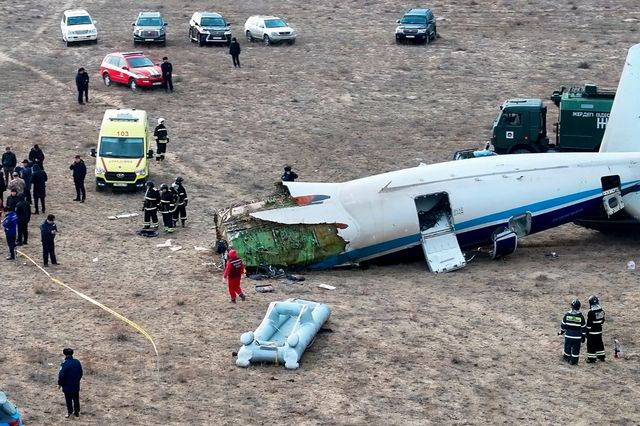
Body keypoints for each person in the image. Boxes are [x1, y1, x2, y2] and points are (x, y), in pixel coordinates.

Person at [58, 348, 83, 418]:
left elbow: (61, 375)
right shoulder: (77, 362)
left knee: (68, 399)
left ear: (65, 354)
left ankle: (70, 412)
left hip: (67, 385)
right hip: (76, 384)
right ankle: (77, 412)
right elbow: (81, 373)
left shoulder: (65, 364)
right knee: (76, 399)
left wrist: (60, 383)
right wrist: (77, 380)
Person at [560, 298, 586, 365]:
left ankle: (567, 358)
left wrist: (561, 332)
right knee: (576, 349)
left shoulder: (567, 315)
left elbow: (563, 325)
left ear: (571, 306)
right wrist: (583, 336)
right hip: (577, 337)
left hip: (568, 335)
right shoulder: (581, 317)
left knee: (567, 347)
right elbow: (583, 328)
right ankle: (574, 361)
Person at [585, 295, 606, 363]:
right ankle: (601, 356)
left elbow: (589, 324)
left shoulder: (591, 312)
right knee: (599, 343)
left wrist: (587, 331)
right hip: (599, 331)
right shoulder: (601, 311)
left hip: (592, 332)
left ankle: (591, 359)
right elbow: (602, 321)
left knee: (591, 345)